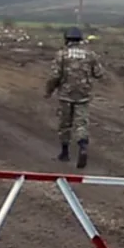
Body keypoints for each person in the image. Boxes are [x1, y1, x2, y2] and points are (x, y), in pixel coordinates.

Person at [45, 26, 105, 169]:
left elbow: (54, 76)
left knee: (65, 124)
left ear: (66, 39)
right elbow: (99, 73)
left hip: (65, 95)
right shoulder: (90, 54)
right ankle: (82, 146)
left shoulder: (62, 55)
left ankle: (65, 153)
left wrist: (49, 91)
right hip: (83, 95)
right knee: (81, 124)